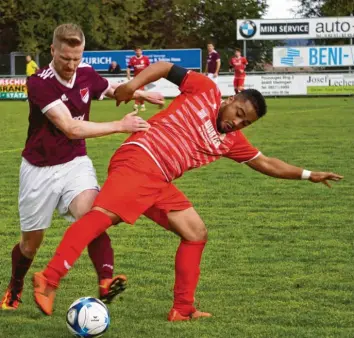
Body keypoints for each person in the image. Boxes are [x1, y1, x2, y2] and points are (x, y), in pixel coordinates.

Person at [32, 61, 343, 319]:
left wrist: (309, 175)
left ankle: (182, 308)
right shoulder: (206, 90)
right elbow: (166, 67)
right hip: (141, 158)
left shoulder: (230, 142)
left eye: (245, 123)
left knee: (195, 232)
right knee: (101, 217)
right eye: (238, 114)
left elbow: (268, 164)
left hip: (159, 180)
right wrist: (130, 87)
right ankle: (49, 279)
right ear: (230, 100)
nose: (237, 123)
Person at [0, 23, 163, 311]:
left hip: (76, 163)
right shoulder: (39, 82)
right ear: (52, 51)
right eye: (65, 58)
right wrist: (120, 125)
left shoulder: (85, 74)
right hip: (38, 170)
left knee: (91, 215)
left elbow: (112, 89)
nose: (71, 65)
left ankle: (105, 280)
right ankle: (15, 287)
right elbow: (70, 128)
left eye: (77, 58)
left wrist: (137, 93)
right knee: (30, 245)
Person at [127, 47, 150, 112]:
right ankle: (142, 106)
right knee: (139, 91)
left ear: (141, 52)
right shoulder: (132, 59)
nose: (138, 52)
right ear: (135, 52)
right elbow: (128, 68)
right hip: (136, 78)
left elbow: (150, 68)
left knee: (140, 91)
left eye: (139, 51)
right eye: (137, 51)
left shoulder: (145, 58)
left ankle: (136, 105)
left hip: (144, 77)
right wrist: (128, 75)